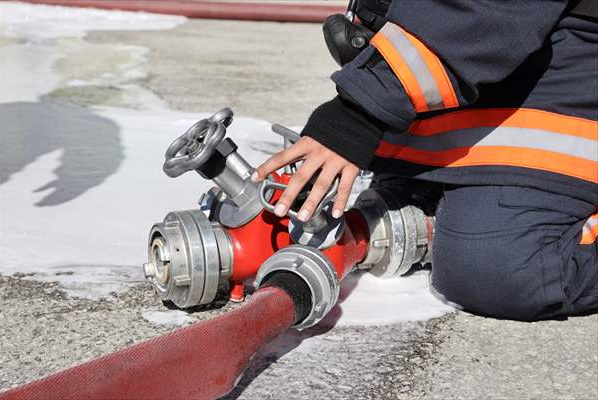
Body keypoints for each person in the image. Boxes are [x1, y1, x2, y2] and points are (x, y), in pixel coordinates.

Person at [251, 0, 598, 321]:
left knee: (494, 268)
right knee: (404, 199)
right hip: (472, 49)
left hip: (560, 58)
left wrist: (360, 112)